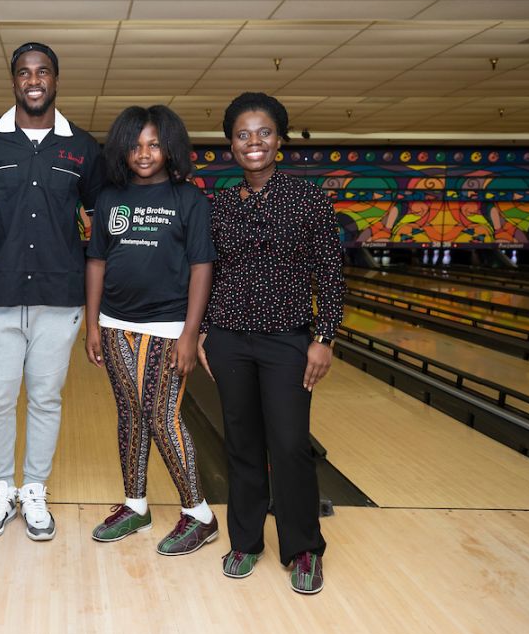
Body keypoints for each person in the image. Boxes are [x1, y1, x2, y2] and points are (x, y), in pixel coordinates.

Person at [0, 42, 103, 541]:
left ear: (56, 79)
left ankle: (33, 489)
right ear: (14, 80)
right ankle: (0, 488)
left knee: (45, 397)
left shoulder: (82, 147)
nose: (33, 80)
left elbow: (106, 212)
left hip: (59, 296)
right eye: (24, 72)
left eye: (43, 72)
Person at [197, 92, 344, 594]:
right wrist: (201, 333)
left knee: (289, 445)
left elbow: (329, 269)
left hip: (286, 340)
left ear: (279, 140)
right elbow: (207, 274)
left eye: (263, 133)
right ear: (230, 145)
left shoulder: (306, 198)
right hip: (229, 339)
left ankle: (303, 548)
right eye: (243, 134)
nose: (253, 142)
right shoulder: (220, 203)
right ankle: (245, 542)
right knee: (240, 442)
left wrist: (324, 337)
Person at [83, 105, 219, 555]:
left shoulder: (189, 199)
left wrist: (189, 333)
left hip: (168, 325)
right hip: (116, 322)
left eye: (155, 144)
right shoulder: (109, 199)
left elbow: (202, 267)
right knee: (131, 414)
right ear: (122, 149)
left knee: (162, 416)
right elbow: (97, 261)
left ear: (170, 147)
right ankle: (136, 504)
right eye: (136, 145)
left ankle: (199, 513)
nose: (144, 153)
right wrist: (93, 322)